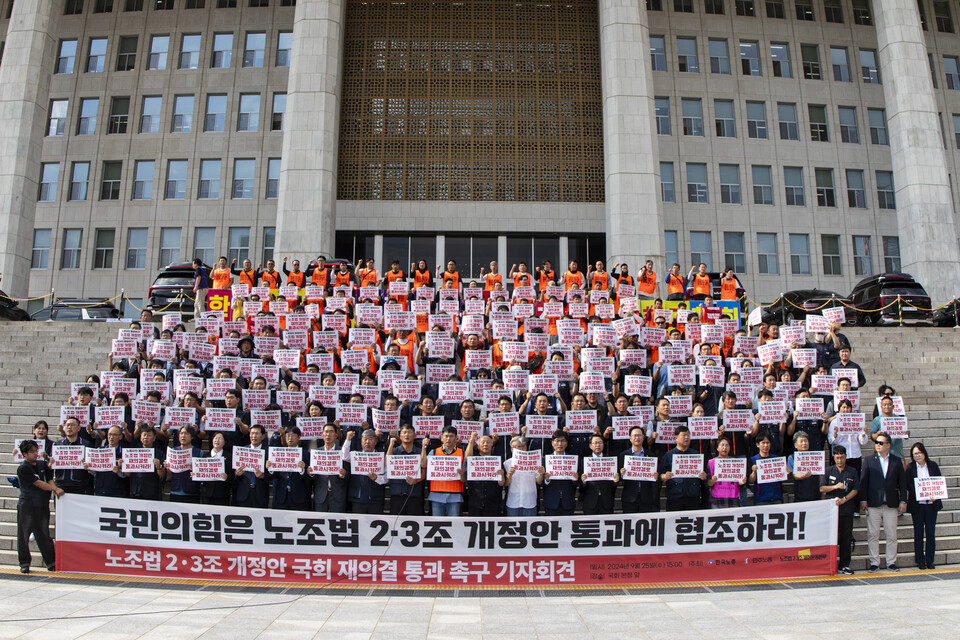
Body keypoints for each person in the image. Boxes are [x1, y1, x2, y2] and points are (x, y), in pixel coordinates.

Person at [859, 431, 908, 572]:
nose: (878, 445)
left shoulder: (896, 460)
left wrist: (903, 500)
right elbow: (864, 482)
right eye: (876, 443)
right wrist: (863, 499)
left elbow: (902, 483)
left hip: (891, 503)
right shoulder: (869, 460)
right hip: (874, 503)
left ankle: (891, 562)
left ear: (888, 445)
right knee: (873, 535)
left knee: (891, 535)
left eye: (881, 443)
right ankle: (874, 562)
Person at [16, 440, 62, 573]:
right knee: (24, 535)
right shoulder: (23, 468)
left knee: (44, 534)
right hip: (27, 506)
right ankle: (24, 563)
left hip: (42, 505)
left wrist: (54, 487)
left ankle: (51, 562)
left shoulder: (42, 464)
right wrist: (55, 489)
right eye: (31, 452)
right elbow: (38, 483)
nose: (35, 454)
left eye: (36, 451)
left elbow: (49, 478)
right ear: (24, 454)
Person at [820, 445, 859, 574]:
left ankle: (844, 565)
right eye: (837, 458)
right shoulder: (829, 471)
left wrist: (844, 499)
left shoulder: (852, 471)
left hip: (846, 509)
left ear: (846, 457)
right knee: (831, 537)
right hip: (831, 511)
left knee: (846, 538)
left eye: (842, 458)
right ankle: (829, 563)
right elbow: (821, 488)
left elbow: (855, 489)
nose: (840, 460)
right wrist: (835, 487)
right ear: (834, 457)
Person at [906, 442, 942, 569]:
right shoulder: (910, 468)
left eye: (919, 453)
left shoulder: (933, 466)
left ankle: (930, 560)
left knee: (931, 533)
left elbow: (939, 482)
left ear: (924, 453)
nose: (917, 456)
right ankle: (920, 560)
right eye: (914, 454)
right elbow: (908, 484)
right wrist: (920, 491)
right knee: (918, 533)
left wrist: (935, 494)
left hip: (931, 504)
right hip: (918, 505)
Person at [659, 425, 707, 511]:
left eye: (688, 435)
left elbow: (704, 475)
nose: (686, 438)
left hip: (692, 495)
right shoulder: (669, 455)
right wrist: (665, 476)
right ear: (676, 438)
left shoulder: (696, 454)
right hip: (675, 495)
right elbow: (661, 475)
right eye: (684, 435)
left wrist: (704, 476)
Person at [424, 425, 466, 516]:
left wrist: (462, 474)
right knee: (437, 523)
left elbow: (464, 479)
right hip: (436, 494)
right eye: (446, 436)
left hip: (455, 495)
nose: (448, 439)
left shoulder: (462, 453)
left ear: (456, 439)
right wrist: (424, 447)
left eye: (451, 436)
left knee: (454, 524)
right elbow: (423, 464)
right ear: (441, 438)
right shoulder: (433, 452)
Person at [618, 426, 659, 513]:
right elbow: (619, 478)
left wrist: (656, 476)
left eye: (639, 435)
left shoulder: (651, 455)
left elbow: (655, 478)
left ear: (643, 437)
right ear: (630, 438)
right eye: (635, 435)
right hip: (629, 497)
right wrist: (621, 474)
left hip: (646, 497)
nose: (637, 438)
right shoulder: (624, 455)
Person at [502, 436, 543, 516]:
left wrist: (541, 474)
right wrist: (509, 475)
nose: (515, 450)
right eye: (513, 448)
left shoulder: (534, 461)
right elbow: (506, 484)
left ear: (524, 448)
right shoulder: (507, 463)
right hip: (513, 502)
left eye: (518, 447)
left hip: (529, 501)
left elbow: (539, 481)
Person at [707, 437, 744, 509]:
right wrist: (712, 481)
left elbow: (740, 483)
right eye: (722, 445)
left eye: (727, 445)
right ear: (717, 448)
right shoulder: (711, 462)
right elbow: (707, 483)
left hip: (733, 498)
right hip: (717, 499)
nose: (725, 448)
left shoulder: (736, 462)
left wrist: (742, 482)